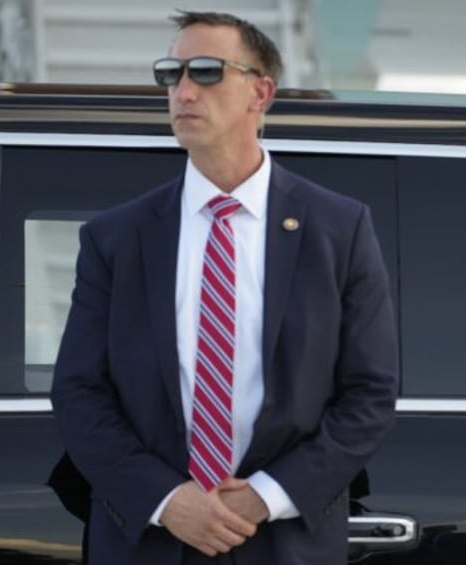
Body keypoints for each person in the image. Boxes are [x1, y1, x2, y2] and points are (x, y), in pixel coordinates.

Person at [49, 10, 398, 565]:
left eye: (207, 72)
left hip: (284, 543)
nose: (183, 90)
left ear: (260, 92)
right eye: (171, 73)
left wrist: (267, 496)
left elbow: (369, 393)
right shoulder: (116, 237)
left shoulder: (339, 230)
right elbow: (78, 391)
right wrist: (166, 499)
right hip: (151, 540)